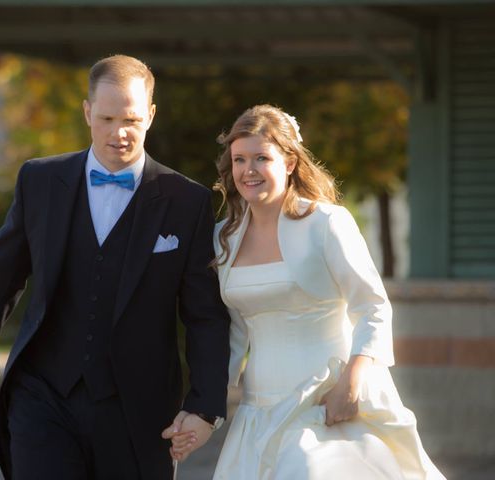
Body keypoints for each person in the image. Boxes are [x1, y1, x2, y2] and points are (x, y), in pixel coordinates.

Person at [0, 54, 230, 480]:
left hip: (138, 410)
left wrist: (204, 407)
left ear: (150, 115)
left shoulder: (188, 201)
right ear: (88, 111)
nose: (119, 132)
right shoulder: (39, 180)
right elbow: (1, 277)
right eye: (107, 117)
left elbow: (205, 315)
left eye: (130, 119)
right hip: (43, 394)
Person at [170, 104, 445, 479]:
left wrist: (353, 381)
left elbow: (373, 308)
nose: (248, 171)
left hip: (325, 400)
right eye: (239, 160)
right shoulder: (223, 239)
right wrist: (205, 412)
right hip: (258, 410)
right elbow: (233, 333)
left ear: (289, 163)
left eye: (261, 158)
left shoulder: (326, 223)